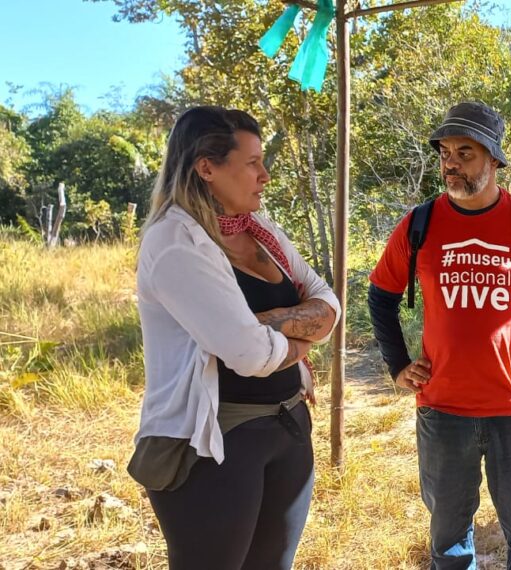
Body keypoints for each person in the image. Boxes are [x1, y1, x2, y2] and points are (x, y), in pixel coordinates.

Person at [367, 101, 511, 569]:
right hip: (443, 410)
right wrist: (397, 365)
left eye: (466, 152)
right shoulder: (420, 224)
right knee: (449, 546)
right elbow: (381, 295)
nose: (451, 163)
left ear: (494, 160)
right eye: (445, 153)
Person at [130, 106, 340, 569]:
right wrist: (304, 335)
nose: (264, 175)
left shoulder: (260, 231)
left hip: (287, 424)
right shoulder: (175, 243)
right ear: (207, 167)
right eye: (251, 162)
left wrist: (274, 321)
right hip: (215, 443)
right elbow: (249, 354)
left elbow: (329, 302)